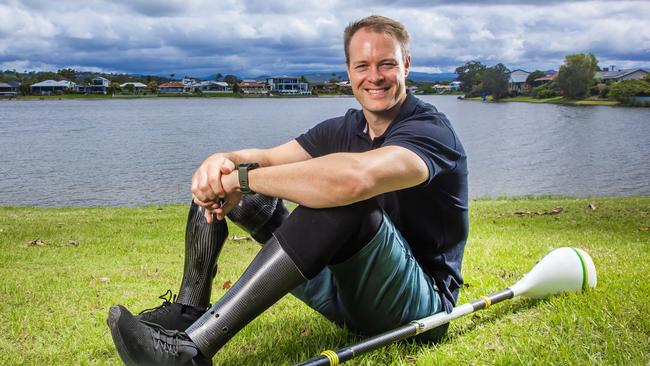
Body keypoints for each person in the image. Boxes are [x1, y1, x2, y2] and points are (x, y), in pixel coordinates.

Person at [107, 15, 469, 366]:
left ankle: (190, 352)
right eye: (362, 66)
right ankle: (189, 311)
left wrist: (242, 180)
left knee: (345, 199)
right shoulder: (344, 127)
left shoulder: (430, 130)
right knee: (236, 182)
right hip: (345, 294)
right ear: (348, 71)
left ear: (406, 65)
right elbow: (266, 158)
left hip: (419, 310)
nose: (374, 77)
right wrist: (221, 163)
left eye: (386, 64)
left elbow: (354, 180)